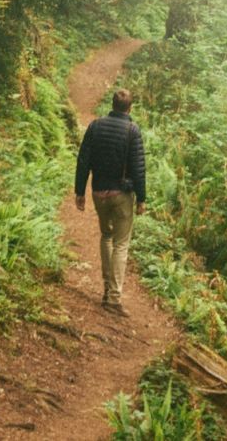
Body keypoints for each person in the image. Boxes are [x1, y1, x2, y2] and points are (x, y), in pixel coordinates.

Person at [74, 88, 146, 314]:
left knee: (106, 236)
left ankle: (107, 289)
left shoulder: (95, 126)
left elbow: (83, 159)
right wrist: (141, 199)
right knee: (121, 243)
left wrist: (80, 191)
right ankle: (114, 298)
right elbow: (138, 168)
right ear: (130, 108)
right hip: (121, 195)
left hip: (98, 193)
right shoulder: (132, 130)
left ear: (112, 105)